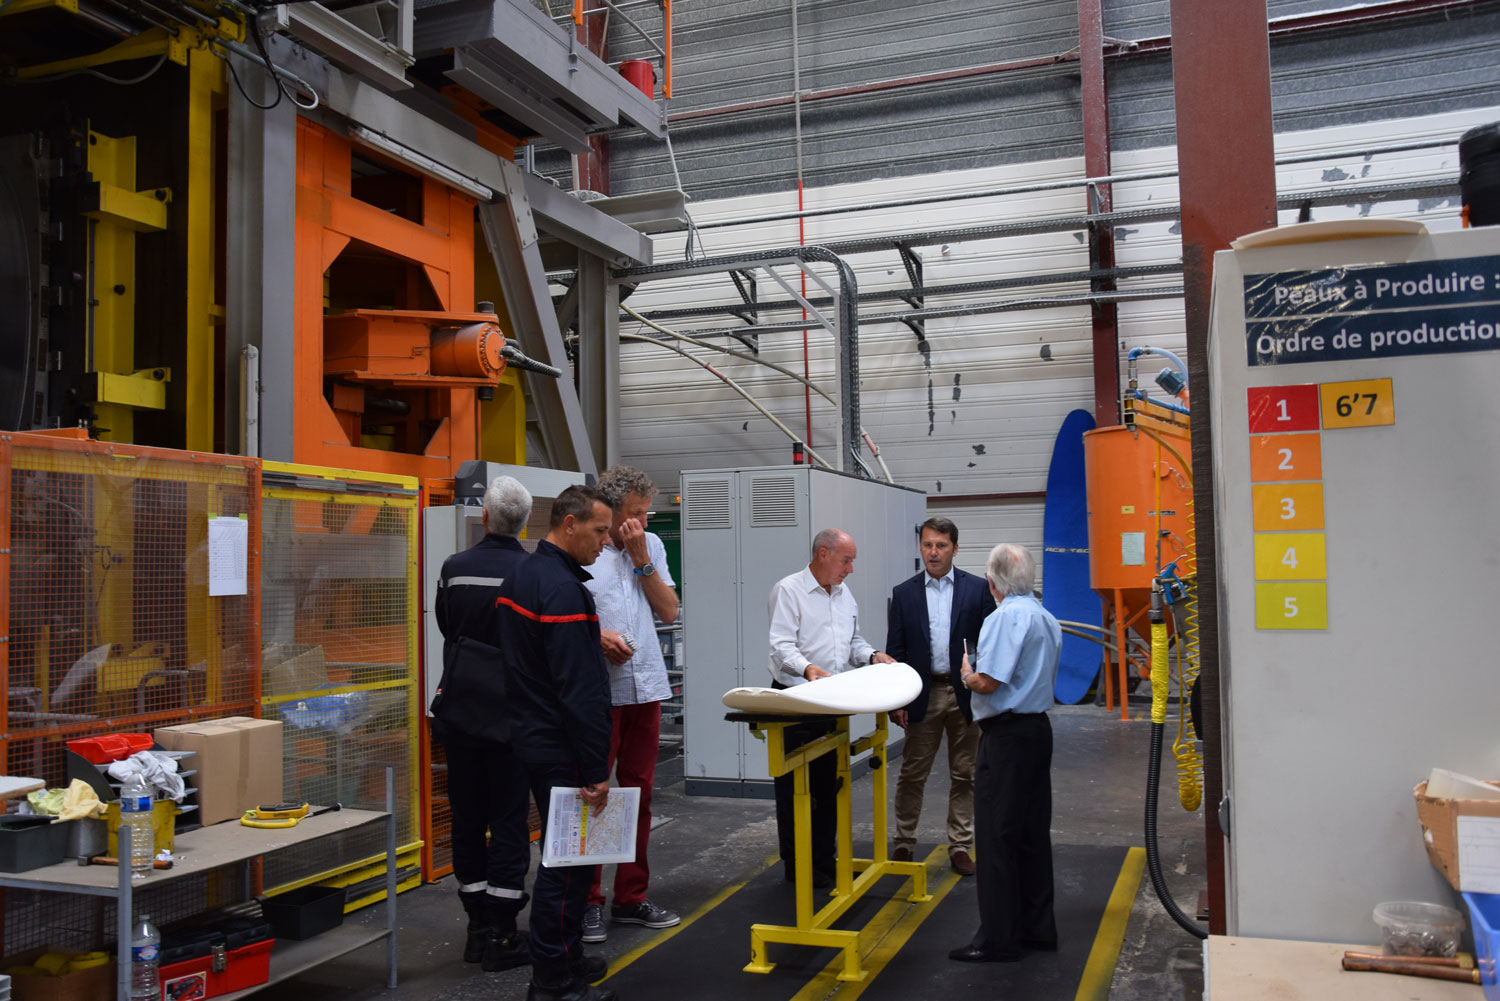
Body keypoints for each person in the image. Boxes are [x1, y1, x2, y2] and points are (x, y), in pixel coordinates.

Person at [496, 485, 618, 1001]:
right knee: (568, 863)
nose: (606, 542)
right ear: (570, 524)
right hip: (560, 744)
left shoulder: (522, 575)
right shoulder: (563, 590)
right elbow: (579, 689)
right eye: (600, 530)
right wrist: (595, 768)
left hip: (531, 734)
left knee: (567, 857)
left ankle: (566, 954)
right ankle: (552, 979)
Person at [433, 475, 534, 972]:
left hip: (461, 711)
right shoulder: (532, 572)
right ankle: (502, 932)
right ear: (525, 523)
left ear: (485, 517)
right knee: (510, 818)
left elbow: (447, 626)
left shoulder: (455, 569)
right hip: (512, 715)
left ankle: (476, 926)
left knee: (467, 816)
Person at [580, 466, 682, 944]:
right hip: (600, 693)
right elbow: (562, 615)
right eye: (635, 513)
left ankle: (630, 897)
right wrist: (596, 635)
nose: (642, 521)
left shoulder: (651, 546)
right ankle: (587, 900)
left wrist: (642, 559)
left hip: (646, 688)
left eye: (646, 513)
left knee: (639, 796)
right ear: (612, 509)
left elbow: (669, 610)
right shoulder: (587, 549)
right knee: (595, 795)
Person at [949, 543, 1061, 964]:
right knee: (1032, 833)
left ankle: (998, 939)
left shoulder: (1003, 618)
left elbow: (989, 681)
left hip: (1007, 736)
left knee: (997, 836)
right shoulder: (1045, 616)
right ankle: (1037, 929)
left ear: (993, 581)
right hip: (1037, 731)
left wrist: (967, 674)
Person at [767, 529, 895, 886]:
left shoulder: (843, 594)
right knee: (795, 787)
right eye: (846, 560)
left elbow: (852, 641)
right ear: (823, 553)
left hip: (831, 699)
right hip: (796, 700)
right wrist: (807, 668)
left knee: (828, 784)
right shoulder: (789, 590)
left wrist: (872, 655)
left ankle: (824, 859)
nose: (850, 569)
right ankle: (797, 867)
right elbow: (780, 646)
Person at [885, 517, 992, 877]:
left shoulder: (977, 590)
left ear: (955, 549)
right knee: (913, 773)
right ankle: (904, 841)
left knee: (965, 774)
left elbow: (989, 645)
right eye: (928, 544)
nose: (933, 552)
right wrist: (898, 699)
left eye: (941, 545)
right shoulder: (905, 593)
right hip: (922, 693)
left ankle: (960, 845)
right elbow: (895, 651)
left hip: (966, 694)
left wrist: (985, 691)